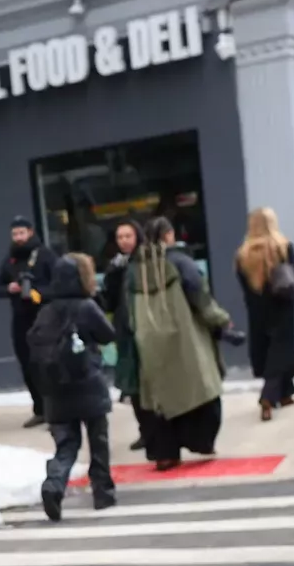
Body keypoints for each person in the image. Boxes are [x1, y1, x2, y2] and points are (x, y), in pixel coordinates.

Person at [131, 217, 231, 469]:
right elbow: (201, 297)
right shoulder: (181, 262)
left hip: (148, 339)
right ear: (169, 235)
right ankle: (201, 442)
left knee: (159, 398)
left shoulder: (136, 269)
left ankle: (165, 453)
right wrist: (221, 320)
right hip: (186, 337)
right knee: (200, 388)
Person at [28, 253, 117, 519]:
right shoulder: (86, 307)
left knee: (66, 445)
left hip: (56, 388)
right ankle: (102, 492)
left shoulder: (46, 311)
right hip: (87, 382)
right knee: (98, 440)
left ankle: (54, 484)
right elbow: (107, 334)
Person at [236, 207, 294, 422]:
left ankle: (286, 393)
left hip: (257, 309)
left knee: (267, 350)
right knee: (281, 350)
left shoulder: (243, 253)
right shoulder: (282, 247)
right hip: (281, 305)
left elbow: (242, 283)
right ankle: (268, 396)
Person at [0, 216, 61, 426]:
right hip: (20, 318)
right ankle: (39, 409)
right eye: (15, 234)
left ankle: (56, 411)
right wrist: (9, 288)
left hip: (44, 317)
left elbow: (59, 284)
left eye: (22, 233)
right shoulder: (10, 260)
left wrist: (38, 293)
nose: (18, 237)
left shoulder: (46, 255)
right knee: (27, 363)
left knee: (47, 364)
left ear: (30, 232)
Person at [101, 219, 146, 450]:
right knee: (132, 383)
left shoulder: (146, 261)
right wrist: (112, 274)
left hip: (145, 326)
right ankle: (145, 430)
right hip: (125, 329)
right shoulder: (116, 265)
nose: (124, 241)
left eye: (128, 236)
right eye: (120, 237)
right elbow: (109, 301)